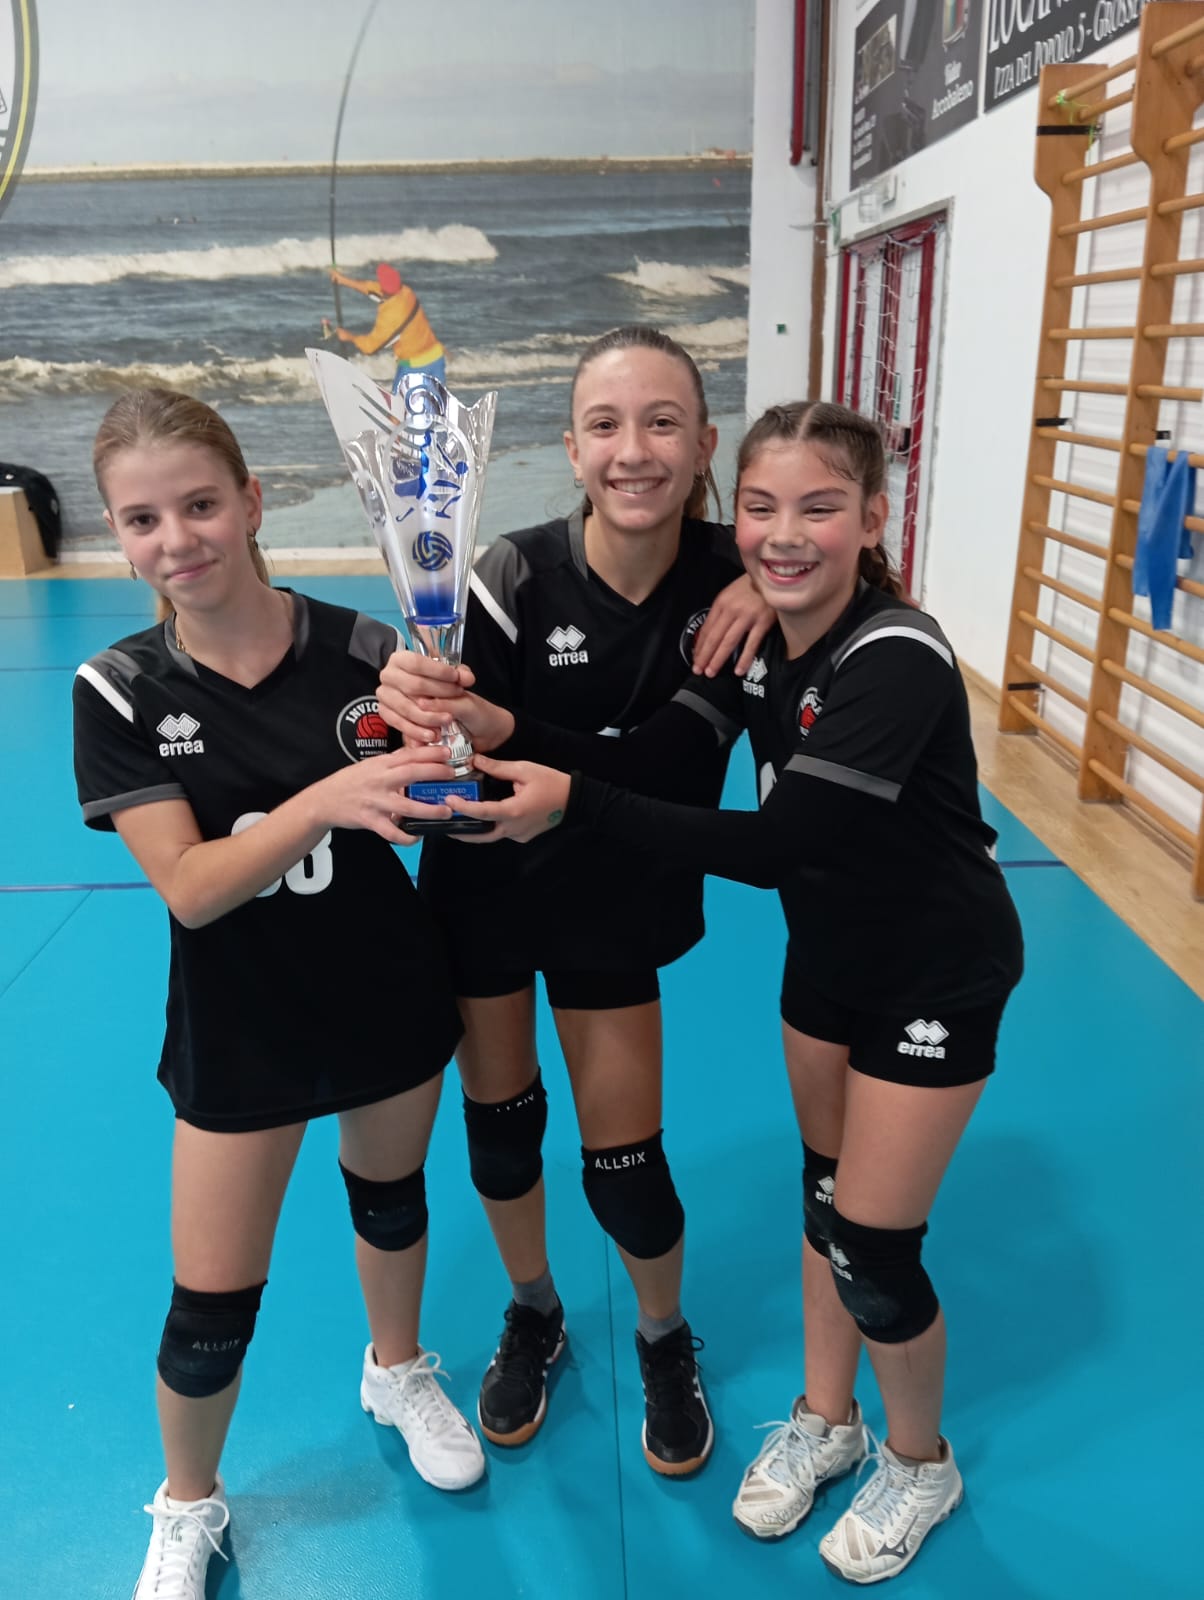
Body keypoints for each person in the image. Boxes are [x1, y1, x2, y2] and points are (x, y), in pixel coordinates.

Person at [389, 399, 1025, 1584]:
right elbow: (655, 745)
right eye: (765, 510)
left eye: (820, 508)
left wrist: (572, 801)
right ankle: (826, 1419)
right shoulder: (762, 631)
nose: (783, 533)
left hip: (931, 972)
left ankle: (918, 1460)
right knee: (823, 1199)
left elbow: (779, 841)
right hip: (825, 958)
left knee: (874, 1249)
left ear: (874, 517)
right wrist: (478, 718)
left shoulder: (896, 654)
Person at [72, 388, 483, 1600]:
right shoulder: (118, 688)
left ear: (252, 503)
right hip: (240, 1022)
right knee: (210, 1308)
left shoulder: (367, 648)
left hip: (386, 991)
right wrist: (324, 801)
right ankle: (187, 1501)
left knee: (391, 1203)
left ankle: (396, 1368)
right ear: (117, 535)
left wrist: (451, 753)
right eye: (142, 519)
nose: (177, 538)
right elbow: (193, 888)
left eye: (200, 504)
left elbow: (432, 804)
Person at [377, 326, 773, 1477]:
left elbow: (666, 763)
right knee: (502, 1135)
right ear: (569, 447)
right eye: (605, 424)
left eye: (662, 422)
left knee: (627, 1167)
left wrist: (765, 571)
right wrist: (414, 701)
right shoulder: (504, 576)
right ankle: (535, 1309)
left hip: (617, 893)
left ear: (705, 444)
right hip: (487, 888)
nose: (633, 450)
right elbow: (461, 757)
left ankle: (662, 1333)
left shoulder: (738, 585)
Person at [329, 262, 446, 387]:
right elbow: (373, 289)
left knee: (399, 400)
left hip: (414, 367)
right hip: (436, 358)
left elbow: (370, 347)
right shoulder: (406, 292)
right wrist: (343, 280)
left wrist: (349, 337)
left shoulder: (390, 316)